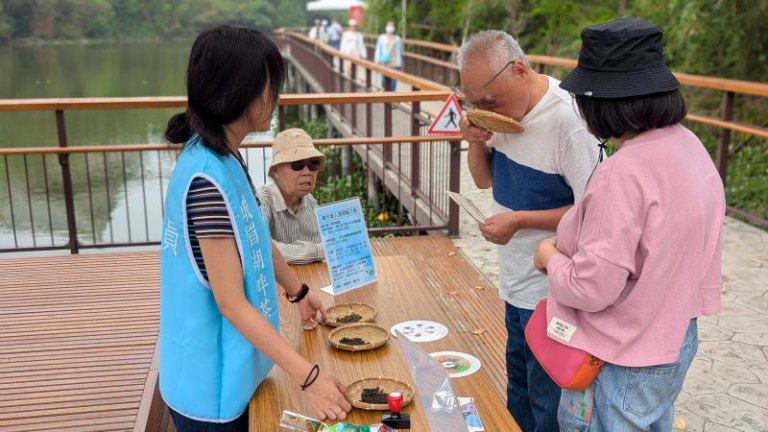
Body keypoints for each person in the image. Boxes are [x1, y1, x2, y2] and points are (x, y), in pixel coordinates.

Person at [533, 18, 725, 431]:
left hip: (618, 354)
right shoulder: (690, 147)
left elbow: (592, 288)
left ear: (601, 102)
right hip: (674, 337)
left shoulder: (623, 172)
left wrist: (549, 257)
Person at [160, 25, 351, 431]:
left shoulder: (223, 155)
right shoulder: (206, 182)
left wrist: (298, 291)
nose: (276, 98)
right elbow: (230, 303)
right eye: (270, 86)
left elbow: (255, 238)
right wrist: (310, 377)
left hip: (235, 368)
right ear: (238, 90)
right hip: (207, 386)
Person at [456, 30, 599, 431]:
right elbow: (484, 181)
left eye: (489, 100)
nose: (485, 109)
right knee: (518, 387)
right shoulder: (504, 111)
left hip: (552, 291)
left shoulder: (568, 121)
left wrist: (520, 221)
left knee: (547, 397)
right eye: (474, 102)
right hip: (515, 280)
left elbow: (594, 210)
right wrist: (475, 141)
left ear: (519, 69)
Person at [258, 128, 326, 265]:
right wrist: (320, 251)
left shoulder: (310, 201)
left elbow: (325, 241)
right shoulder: (262, 200)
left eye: (313, 164)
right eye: (297, 164)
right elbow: (262, 248)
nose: (307, 172)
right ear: (276, 171)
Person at [374, 21, 403, 91]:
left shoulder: (398, 39)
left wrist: (400, 63)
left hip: (394, 62)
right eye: (389, 26)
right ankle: (385, 95)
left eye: (391, 26)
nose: (390, 28)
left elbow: (400, 51)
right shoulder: (381, 37)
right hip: (384, 62)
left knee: (393, 80)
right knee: (384, 80)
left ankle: (391, 96)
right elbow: (378, 49)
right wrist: (377, 59)